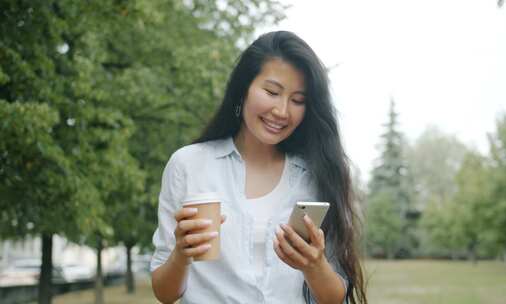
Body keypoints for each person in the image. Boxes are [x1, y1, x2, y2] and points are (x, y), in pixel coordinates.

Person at [150, 31, 367, 304]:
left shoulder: (316, 175)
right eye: (272, 92)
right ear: (243, 88)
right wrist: (181, 254)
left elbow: (335, 297)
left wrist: (315, 266)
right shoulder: (189, 165)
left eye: (298, 100)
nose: (282, 111)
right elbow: (164, 293)